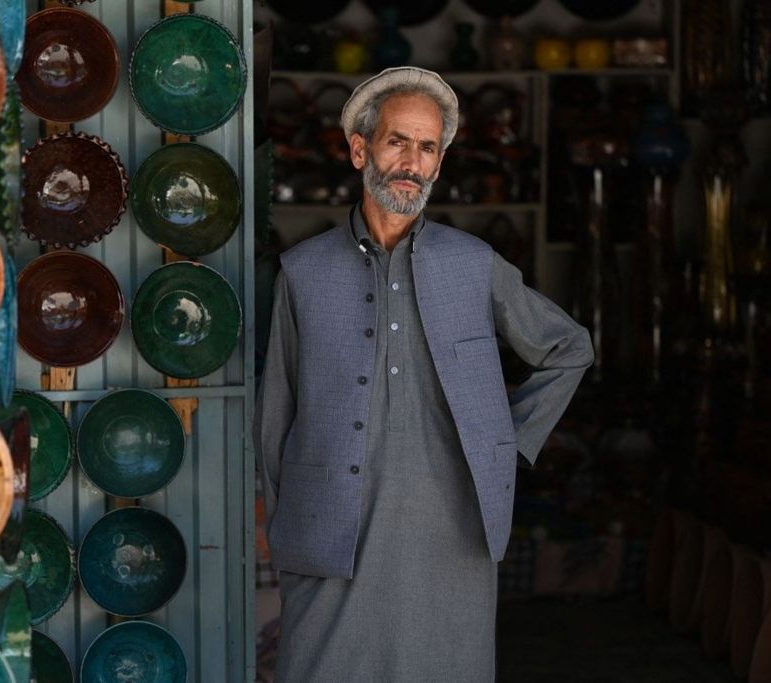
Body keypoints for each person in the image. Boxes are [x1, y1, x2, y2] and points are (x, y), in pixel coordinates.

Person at [254, 67, 594, 682]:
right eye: (397, 141)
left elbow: (568, 347)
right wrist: (289, 529)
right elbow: (274, 415)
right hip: (333, 534)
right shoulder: (303, 272)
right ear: (360, 149)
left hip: (452, 535)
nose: (412, 161)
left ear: (439, 164)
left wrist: (506, 441)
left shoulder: (473, 265)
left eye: (428, 147)